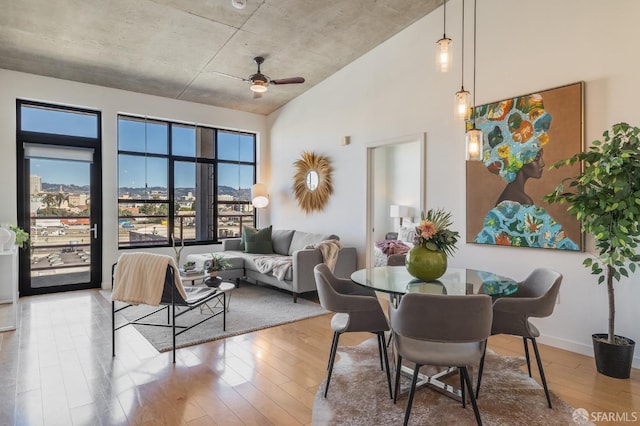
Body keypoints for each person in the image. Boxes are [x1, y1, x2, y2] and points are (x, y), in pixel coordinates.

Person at [473, 93, 578, 250]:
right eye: (536, 157)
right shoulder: (520, 202)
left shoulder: (511, 199)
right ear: (520, 160)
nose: (543, 163)